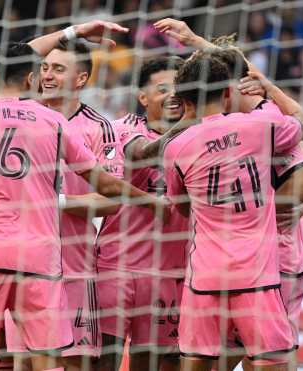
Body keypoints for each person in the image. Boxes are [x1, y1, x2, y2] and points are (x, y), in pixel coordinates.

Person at [0, 41, 166, 371]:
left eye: (57, 69)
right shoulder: (54, 123)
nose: (48, 76)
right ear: (32, 77)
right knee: (44, 361)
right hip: (40, 257)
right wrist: (153, 201)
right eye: (44, 69)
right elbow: (107, 185)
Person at [156, 19, 303, 368]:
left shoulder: (260, 116)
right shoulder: (260, 125)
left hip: (270, 259)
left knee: (225, 359)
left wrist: (263, 210)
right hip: (253, 269)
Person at [95, 56, 191, 371]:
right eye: (163, 89)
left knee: (149, 363)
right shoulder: (120, 129)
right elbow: (142, 154)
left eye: (179, 87)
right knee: (104, 361)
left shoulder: (200, 137)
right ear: (143, 97)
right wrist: (191, 122)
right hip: (116, 266)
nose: (173, 95)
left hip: (169, 272)